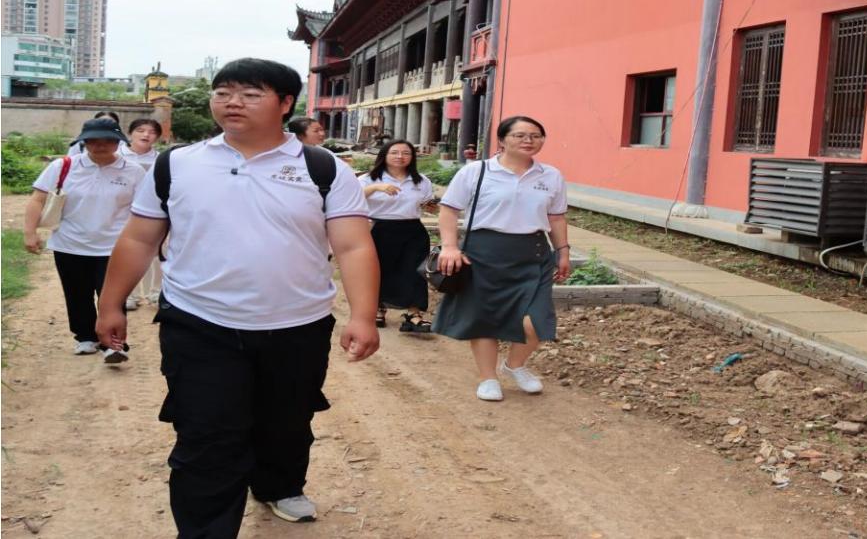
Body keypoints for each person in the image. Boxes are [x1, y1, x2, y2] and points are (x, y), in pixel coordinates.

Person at [94, 57, 380, 536]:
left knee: (286, 421)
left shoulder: (323, 168)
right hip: (199, 322)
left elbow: (353, 246)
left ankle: (278, 485)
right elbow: (139, 238)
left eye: (250, 94)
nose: (232, 102)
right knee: (207, 434)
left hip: (297, 324)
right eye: (223, 92)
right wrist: (110, 304)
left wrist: (364, 316)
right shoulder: (177, 164)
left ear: (285, 103)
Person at [433, 116, 571, 401]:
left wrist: (563, 252)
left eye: (536, 135)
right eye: (520, 135)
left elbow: (556, 218)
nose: (528, 140)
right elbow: (449, 209)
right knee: (484, 317)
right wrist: (449, 246)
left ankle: (514, 365)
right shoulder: (477, 171)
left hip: (533, 253)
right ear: (502, 140)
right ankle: (488, 378)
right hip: (483, 252)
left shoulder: (550, 175)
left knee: (537, 318)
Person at [23, 118, 145, 364]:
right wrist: (30, 232)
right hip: (69, 244)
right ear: (83, 142)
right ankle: (85, 337)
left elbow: (143, 209)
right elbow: (38, 199)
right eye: (93, 141)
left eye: (108, 140)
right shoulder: (63, 166)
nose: (100, 145)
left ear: (118, 143)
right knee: (77, 294)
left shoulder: (134, 171)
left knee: (113, 297)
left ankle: (113, 344)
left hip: (114, 246)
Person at [358, 139, 435, 332]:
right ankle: (378, 307)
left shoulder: (421, 180)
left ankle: (414, 314)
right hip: (380, 229)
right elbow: (352, 197)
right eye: (394, 152)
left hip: (413, 230)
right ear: (384, 155)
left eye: (406, 153)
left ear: (412, 157)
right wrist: (376, 188)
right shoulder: (369, 179)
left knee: (415, 272)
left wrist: (432, 206)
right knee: (380, 270)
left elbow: (428, 204)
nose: (400, 157)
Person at [120, 118, 164, 311]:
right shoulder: (118, 157)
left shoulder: (162, 159)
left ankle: (156, 292)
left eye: (152, 132)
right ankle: (130, 294)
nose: (146, 135)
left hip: (154, 213)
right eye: (140, 130)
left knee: (157, 252)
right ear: (130, 133)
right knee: (127, 252)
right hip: (123, 211)